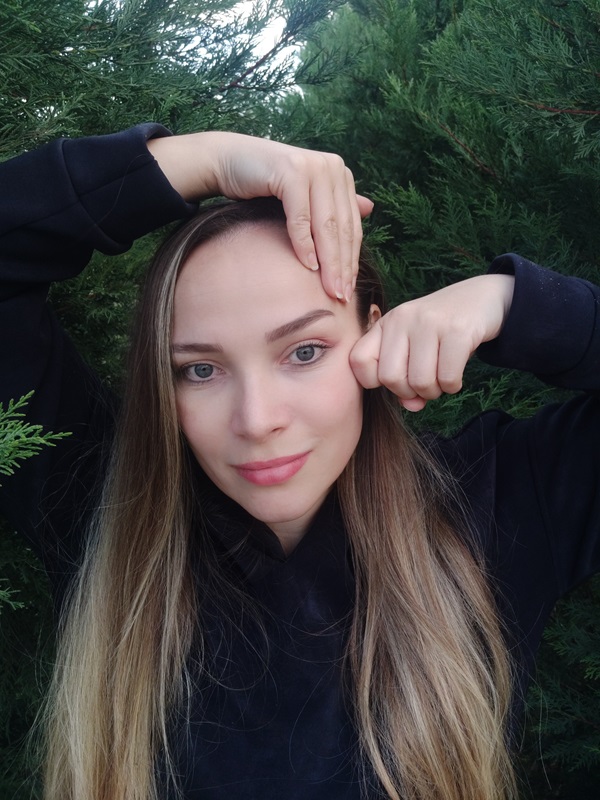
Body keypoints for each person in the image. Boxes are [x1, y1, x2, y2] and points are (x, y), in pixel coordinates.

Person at [0, 123, 598, 800]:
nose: (257, 420)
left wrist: (512, 304)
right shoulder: (103, 508)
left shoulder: (497, 502)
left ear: (374, 332)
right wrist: (207, 157)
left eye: (304, 352)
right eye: (200, 369)